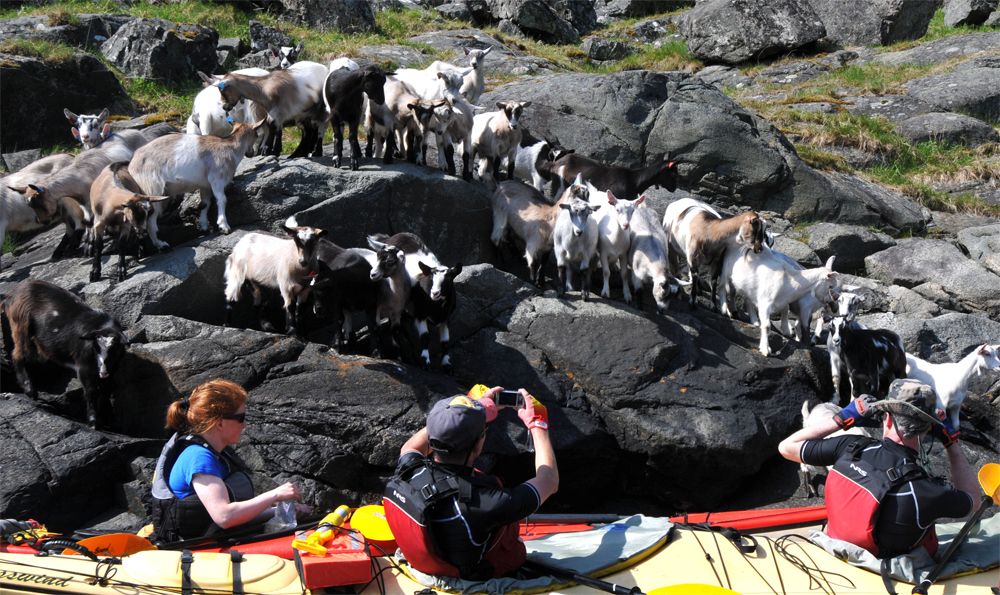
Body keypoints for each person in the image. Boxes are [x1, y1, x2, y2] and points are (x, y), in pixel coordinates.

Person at [778, 379, 980, 561]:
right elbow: (974, 500)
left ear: (888, 419)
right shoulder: (926, 492)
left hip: (835, 550)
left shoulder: (849, 447)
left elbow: (786, 447)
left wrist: (842, 418)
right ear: (928, 429)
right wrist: (951, 443)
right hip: (886, 573)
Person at [383, 387, 559, 580]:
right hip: (473, 575)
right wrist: (538, 424)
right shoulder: (486, 502)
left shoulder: (410, 471)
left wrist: (477, 408)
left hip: (431, 562)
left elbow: (410, 446)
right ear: (478, 444)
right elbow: (550, 481)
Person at [150, 379, 308, 542]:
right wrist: (275, 495)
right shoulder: (199, 457)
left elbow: (232, 515)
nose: (245, 425)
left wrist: (280, 511)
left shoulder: (214, 451)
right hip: (192, 547)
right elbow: (224, 516)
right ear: (219, 423)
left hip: (212, 534)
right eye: (241, 418)